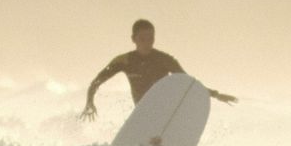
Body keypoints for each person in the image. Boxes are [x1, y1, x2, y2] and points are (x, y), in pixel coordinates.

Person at [80, 18, 237, 119]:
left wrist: (216, 95)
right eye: (143, 38)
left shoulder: (164, 59)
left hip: (168, 111)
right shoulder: (124, 61)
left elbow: (188, 83)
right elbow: (97, 81)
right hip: (142, 113)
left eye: (151, 38)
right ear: (133, 39)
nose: (147, 42)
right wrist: (90, 101)